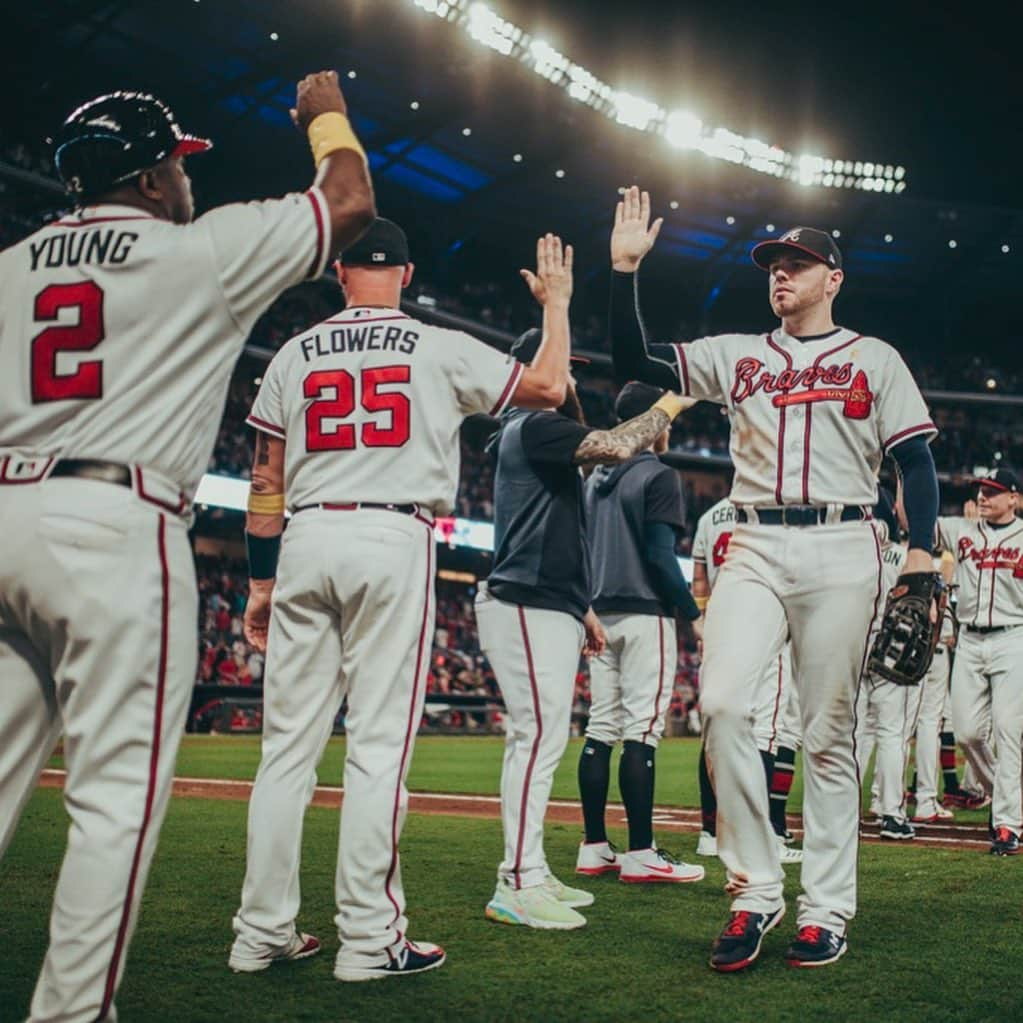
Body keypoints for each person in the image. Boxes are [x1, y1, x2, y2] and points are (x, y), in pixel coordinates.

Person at [0, 72, 374, 1022]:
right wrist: (322, 114)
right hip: (115, 523)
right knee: (113, 805)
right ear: (158, 176)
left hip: (5, 512)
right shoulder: (198, 248)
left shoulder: (9, 266)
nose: (184, 178)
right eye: (178, 163)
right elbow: (349, 199)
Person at [229, 223, 574, 981]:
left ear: (339, 270)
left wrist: (260, 582)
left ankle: (260, 931)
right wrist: (556, 307)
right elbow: (548, 388)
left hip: (306, 536)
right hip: (392, 533)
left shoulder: (294, 351)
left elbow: (263, 479)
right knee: (377, 747)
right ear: (408, 272)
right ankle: (368, 939)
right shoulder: (435, 344)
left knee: (284, 753)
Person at [608, 187, 939, 970]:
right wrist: (624, 274)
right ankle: (755, 890)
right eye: (774, 264)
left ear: (833, 278)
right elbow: (635, 363)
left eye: (797, 262)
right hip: (751, 538)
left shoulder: (873, 357)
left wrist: (920, 556)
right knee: (721, 703)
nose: (780, 273)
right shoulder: (736, 353)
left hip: (845, 540)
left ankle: (825, 907)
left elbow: (916, 461)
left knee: (825, 732)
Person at [476, 333, 696, 930]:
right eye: (559, 369)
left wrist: (586, 608)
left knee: (563, 736)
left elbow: (561, 532)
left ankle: (538, 869)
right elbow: (621, 446)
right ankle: (518, 883)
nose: (570, 380)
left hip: (563, 601)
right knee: (538, 740)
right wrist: (670, 407)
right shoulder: (538, 425)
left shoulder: (536, 432)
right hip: (530, 601)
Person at [574, 380, 705, 885]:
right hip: (645, 612)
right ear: (652, 422)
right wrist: (691, 612)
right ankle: (642, 852)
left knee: (600, 728)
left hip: (598, 612)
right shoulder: (659, 475)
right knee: (641, 732)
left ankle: (594, 845)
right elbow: (658, 556)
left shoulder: (594, 476)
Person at [690, 496, 803, 865]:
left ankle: (710, 832)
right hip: (765, 624)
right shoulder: (774, 510)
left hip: (720, 626)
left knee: (716, 731)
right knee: (767, 732)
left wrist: (701, 621)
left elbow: (699, 581)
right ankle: (765, 834)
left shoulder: (709, 516)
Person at [937, 470, 1023, 855]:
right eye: (981, 491)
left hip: (1014, 636)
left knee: (1008, 730)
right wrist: (907, 468)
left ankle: (1007, 824)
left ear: (1014, 499)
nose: (984, 496)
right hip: (969, 639)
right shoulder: (961, 530)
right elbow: (911, 520)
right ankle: (1009, 799)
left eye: (993, 492)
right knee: (968, 733)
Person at [853, 491, 915, 840]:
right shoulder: (900, 555)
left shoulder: (848, 550)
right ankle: (891, 815)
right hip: (889, 650)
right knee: (891, 733)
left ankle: (845, 811)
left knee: (857, 733)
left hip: (853, 645)